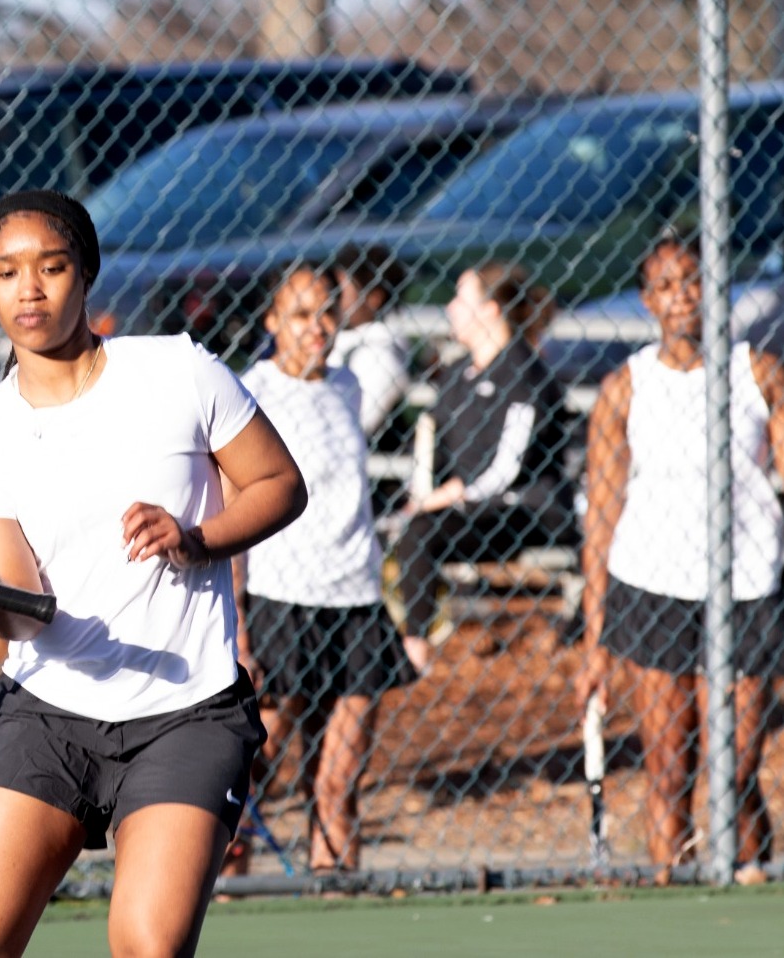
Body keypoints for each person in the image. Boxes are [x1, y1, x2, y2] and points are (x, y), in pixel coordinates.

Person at [0, 189, 307, 958]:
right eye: (5, 273)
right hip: (47, 716)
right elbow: (25, 611)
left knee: (147, 948)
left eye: (51, 267)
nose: (29, 290)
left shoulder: (178, 373)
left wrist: (197, 540)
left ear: (86, 275)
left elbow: (279, 485)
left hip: (186, 714)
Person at [576, 233, 783, 871]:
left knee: (738, 769)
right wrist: (593, 640)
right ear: (646, 302)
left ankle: (750, 888)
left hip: (746, 584)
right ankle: (673, 892)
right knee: (670, 772)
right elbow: (603, 518)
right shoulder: (624, 388)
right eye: (665, 286)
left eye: (692, 280)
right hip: (653, 587)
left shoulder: (758, 372)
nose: (682, 297)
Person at [226, 262, 416, 876]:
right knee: (250, 773)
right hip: (281, 602)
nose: (317, 327)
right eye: (301, 314)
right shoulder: (247, 393)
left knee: (339, 782)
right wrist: (239, 631)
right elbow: (233, 518)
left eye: (328, 312)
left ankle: (336, 895)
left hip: (355, 602)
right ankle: (223, 888)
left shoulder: (349, 387)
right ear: (273, 321)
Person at [394, 260, 573, 671]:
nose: (451, 307)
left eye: (461, 297)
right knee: (401, 529)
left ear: (491, 308)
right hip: (469, 510)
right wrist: (420, 494)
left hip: (523, 510)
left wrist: (456, 493)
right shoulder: (459, 373)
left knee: (421, 534)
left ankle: (415, 651)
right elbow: (430, 442)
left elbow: (509, 466)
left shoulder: (526, 372)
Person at [328, 243, 412, 437]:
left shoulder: (380, 354)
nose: (331, 300)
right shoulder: (339, 339)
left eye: (340, 292)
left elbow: (358, 425)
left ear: (374, 298)